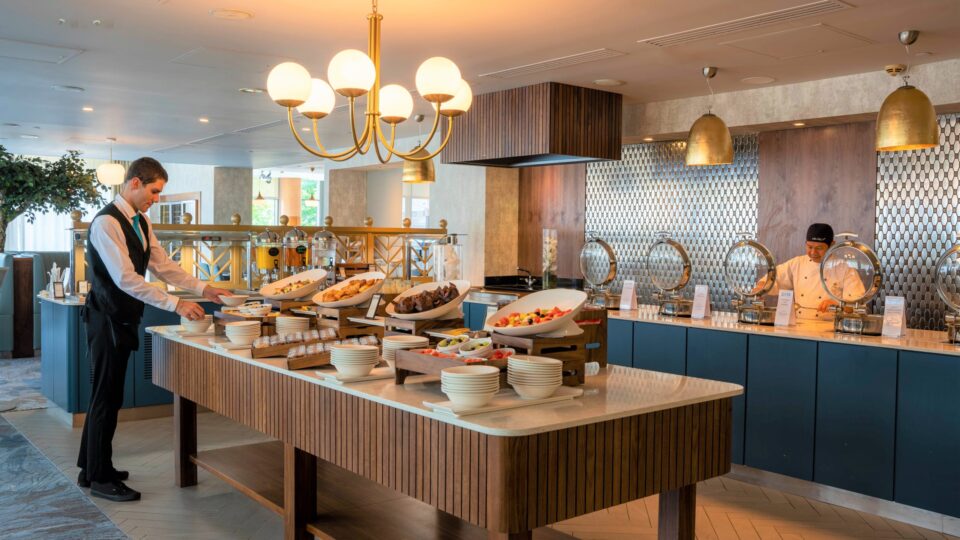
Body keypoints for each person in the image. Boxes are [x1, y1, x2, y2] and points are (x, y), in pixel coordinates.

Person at [77, 157, 232, 501]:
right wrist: (175, 304)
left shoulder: (141, 221)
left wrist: (204, 289)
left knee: (109, 394)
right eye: (154, 191)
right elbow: (125, 278)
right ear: (133, 183)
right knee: (106, 396)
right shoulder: (107, 223)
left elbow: (164, 266)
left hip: (122, 318)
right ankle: (101, 478)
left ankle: (90, 469)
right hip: (106, 319)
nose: (156, 199)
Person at [767, 223, 865, 321]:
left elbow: (858, 305)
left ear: (832, 245)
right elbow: (775, 278)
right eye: (810, 247)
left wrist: (839, 304)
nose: (813, 252)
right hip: (799, 327)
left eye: (819, 248)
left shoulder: (844, 268)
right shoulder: (797, 263)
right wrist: (761, 287)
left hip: (830, 330)